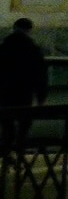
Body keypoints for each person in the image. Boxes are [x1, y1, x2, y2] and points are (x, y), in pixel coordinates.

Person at [0, 18, 48, 161]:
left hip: (5, 93)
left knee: (7, 124)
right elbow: (40, 75)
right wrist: (41, 97)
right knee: (24, 124)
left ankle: (6, 151)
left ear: (14, 28)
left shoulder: (4, 47)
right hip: (24, 93)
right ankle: (19, 151)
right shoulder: (33, 49)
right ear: (29, 30)